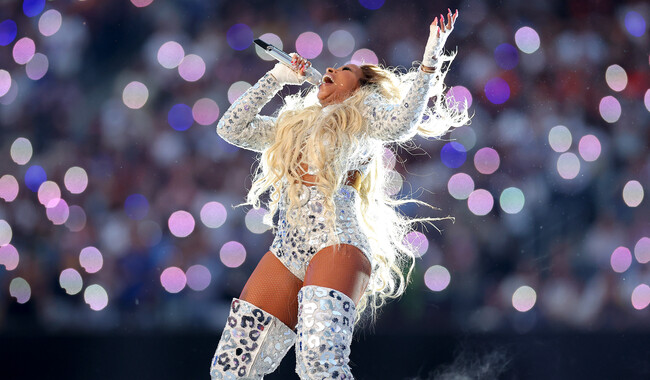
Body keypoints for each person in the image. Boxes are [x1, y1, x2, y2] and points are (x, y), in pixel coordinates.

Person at [210, 9, 468, 380]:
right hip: (288, 247)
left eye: (345, 70)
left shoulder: (361, 121)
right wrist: (274, 78)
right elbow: (230, 129)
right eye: (332, 68)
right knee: (232, 366)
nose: (330, 70)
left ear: (361, 91)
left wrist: (431, 56)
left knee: (319, 366)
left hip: (337, 243)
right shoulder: (294, 126)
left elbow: (402, 122)